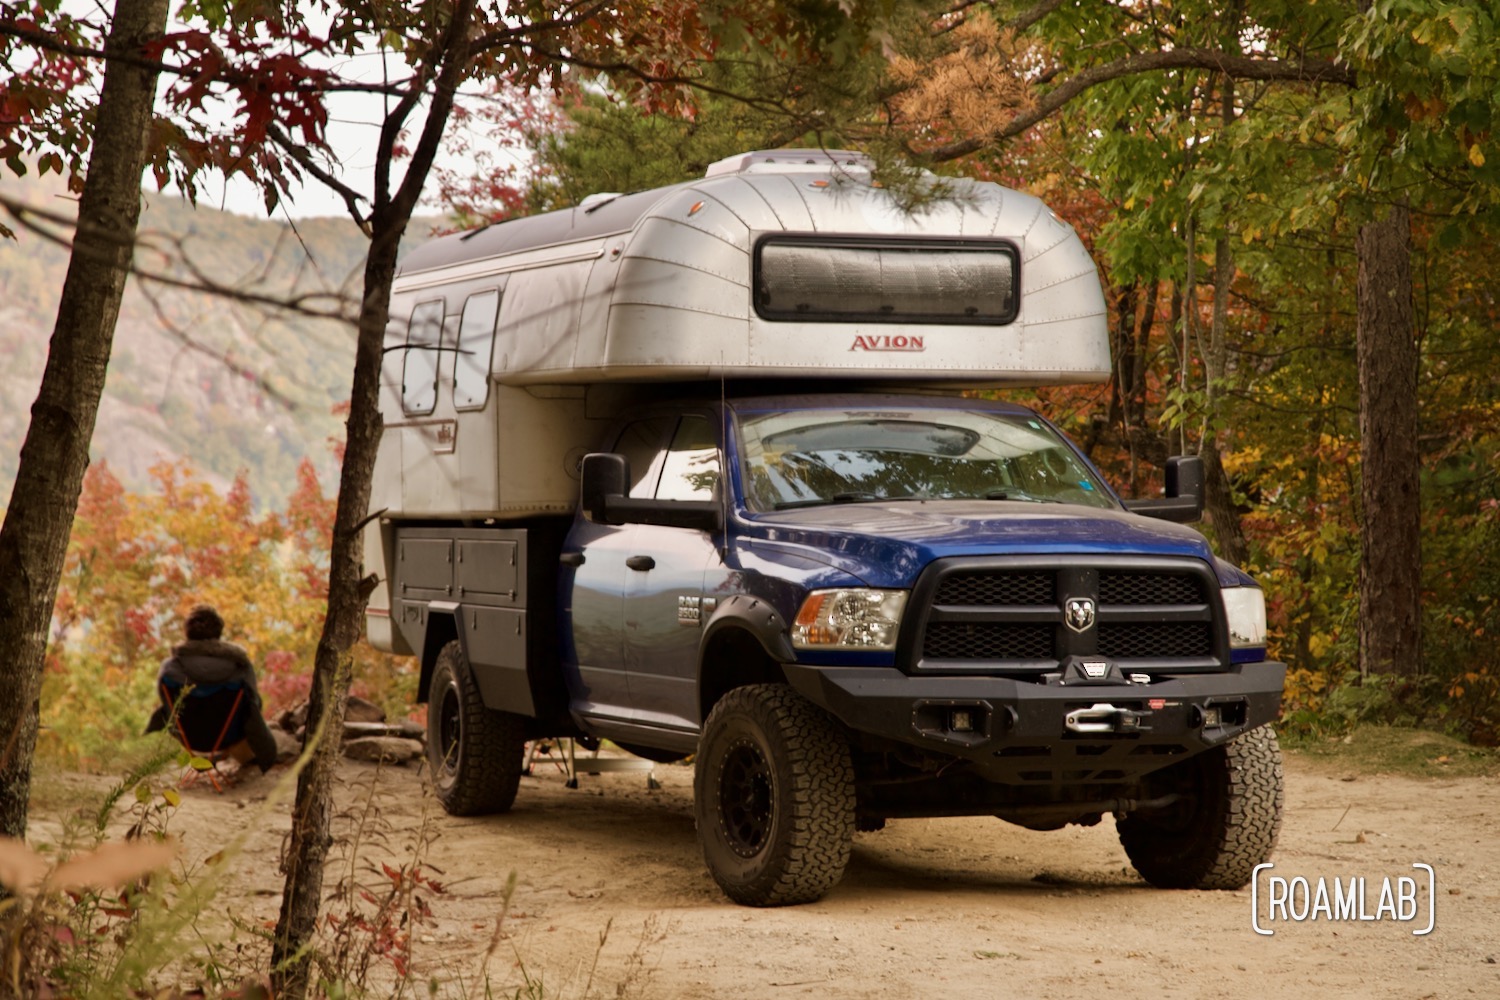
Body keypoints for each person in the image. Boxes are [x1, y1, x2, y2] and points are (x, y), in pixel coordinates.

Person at [146, 604, 279, 773]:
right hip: (228, 738)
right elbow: (255, 704)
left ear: (188, 632)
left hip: (189, 738)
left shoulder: (170, 669)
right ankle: (248, 766)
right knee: (249, 711)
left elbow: (167, 709)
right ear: (219, 632)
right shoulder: (240, 666)